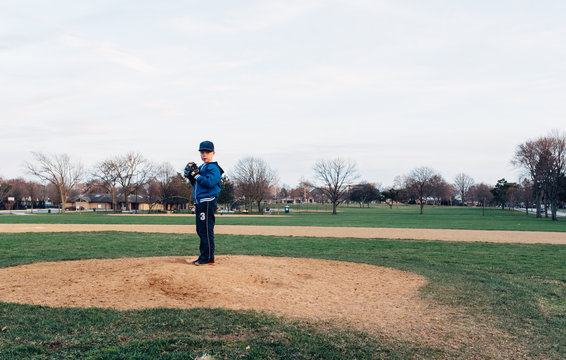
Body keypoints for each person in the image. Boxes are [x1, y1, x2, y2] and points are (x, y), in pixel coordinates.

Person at [184, 140, 224, 265]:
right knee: (201, 230)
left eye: (207, 152)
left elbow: (210, 182)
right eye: (202, 152)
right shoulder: (201, 167)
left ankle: (208, 258)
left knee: (206, 230)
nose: (204, 154)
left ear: (213, 153)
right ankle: (203, 256)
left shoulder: (214, 168)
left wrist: (196, 176)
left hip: (207, 202)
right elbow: (197, 184)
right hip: (200, 202)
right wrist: (191, 177)